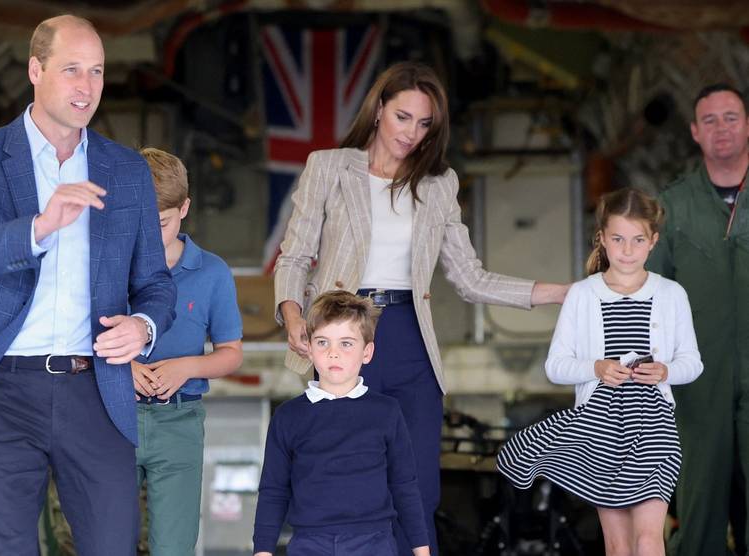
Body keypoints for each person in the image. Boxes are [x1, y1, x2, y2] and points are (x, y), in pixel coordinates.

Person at [272, 61, 569, 554]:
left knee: (417, 491)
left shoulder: (437, 184)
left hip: (411, 339)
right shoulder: (328, 166)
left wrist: (558, 292)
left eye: (424, 122)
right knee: (347, 486)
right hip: (344, 335)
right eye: (403, 116)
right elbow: (296, 255)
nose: (412, 132)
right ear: (379, 109)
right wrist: (293, 314)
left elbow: (470, 278)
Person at [0, 15, 176, 556]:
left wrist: (143, 325)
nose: (86, 86)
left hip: (96, 387)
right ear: (36, 70)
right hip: (2, 386)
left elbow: (154, 282)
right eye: (71, 70)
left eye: (97, 71)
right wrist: (38, 227)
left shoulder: (127, 171)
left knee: (113, 544)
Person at [497, 188, 703, 556]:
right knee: (618, 544)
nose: (627, 250)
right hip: (600, 427)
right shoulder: (582, 294)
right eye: (618, 239)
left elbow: (693, 363)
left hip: (654, 424)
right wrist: (596, 368)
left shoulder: (672, 294)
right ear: (602, 240)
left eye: (638, 240)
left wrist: (664, 371)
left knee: (648, 538)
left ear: (653, 242)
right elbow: (556, 366)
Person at [646, 83, 749, 556]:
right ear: (694, 132)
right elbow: (646, 299)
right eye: (709, 120)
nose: (721, 128)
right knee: (699, 512)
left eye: (731, 117)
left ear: (747, 124)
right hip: (696, 390)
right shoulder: (672, 206)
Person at [254, 290, 430, 556]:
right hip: (309, 544)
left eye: (346, 343)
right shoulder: (289, 417)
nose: (333, 354)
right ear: (309, 349)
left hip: (374, 544)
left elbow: (404, 484)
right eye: (323, 342)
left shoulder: (386, 412)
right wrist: (262, 552)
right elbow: (273, 490)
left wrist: (422, 551)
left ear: (367, 352)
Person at [131, 148, 243, 555]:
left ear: (184, 209)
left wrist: (188, 367)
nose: (149, 233)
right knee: (105, 540)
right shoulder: (110, 266)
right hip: (113, 417)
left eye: (160, 222)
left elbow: (231, 352)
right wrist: (125, 367)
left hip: (180, 420)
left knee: (174, 546)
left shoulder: (212, 271)